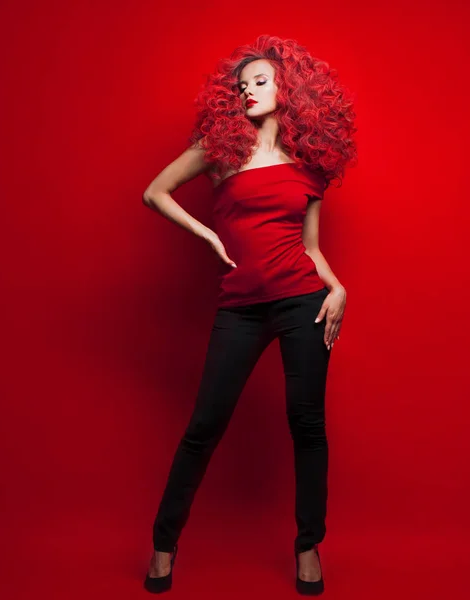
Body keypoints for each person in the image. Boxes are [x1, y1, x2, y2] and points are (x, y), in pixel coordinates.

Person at [141, 34, 357, 595]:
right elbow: (155, 192)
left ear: (290, 88)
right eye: (241, 86)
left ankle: (308, 546)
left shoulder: (310, 166)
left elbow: (309, 247)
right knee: (204, 426)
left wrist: (336, 289)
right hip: (240, 307)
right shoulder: (220, 149)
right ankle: (164, 543)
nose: (247, 92)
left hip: (303, 303)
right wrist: (209, 233)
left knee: (307, 425)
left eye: (260, 81)